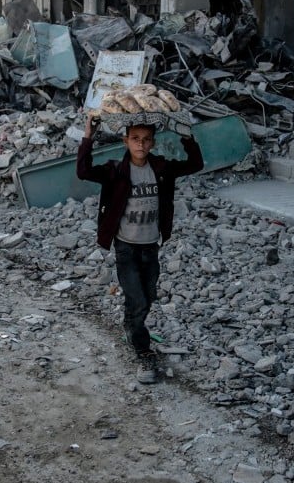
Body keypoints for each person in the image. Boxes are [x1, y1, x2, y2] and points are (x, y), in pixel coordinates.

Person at [77, 118, 203, 384]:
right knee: (139, 300)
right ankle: (144, 352)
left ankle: (130, 324)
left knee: (147, 295)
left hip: (150, 246)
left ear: (153, 143)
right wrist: (88, 136)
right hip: (126, 246)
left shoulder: (160, 168)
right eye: (135, 138)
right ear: (126, 141)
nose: (141, 144)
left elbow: (195, 164)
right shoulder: (116, 170)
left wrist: (187, 137)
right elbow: (83, 171)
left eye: (146, 139)